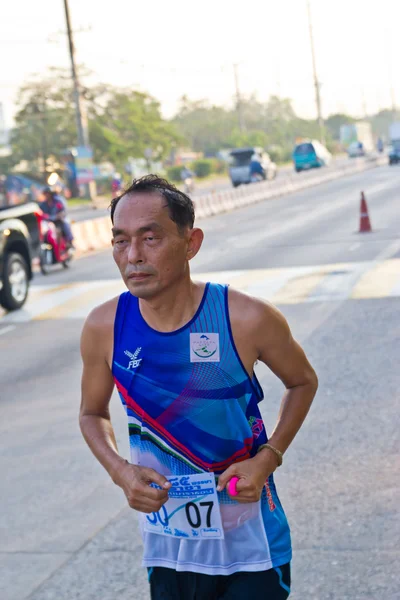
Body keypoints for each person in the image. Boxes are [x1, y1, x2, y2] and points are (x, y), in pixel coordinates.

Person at [79, 174, 318, 600]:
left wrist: (269, 457)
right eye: (120, 241)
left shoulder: (245, 318)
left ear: (191, 243)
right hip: (169, 550)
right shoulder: (104, 326)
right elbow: (91, 412)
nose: (133, 256)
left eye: (150, 238)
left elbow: (302, 381)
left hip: (253, 546)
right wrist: (121, 471)